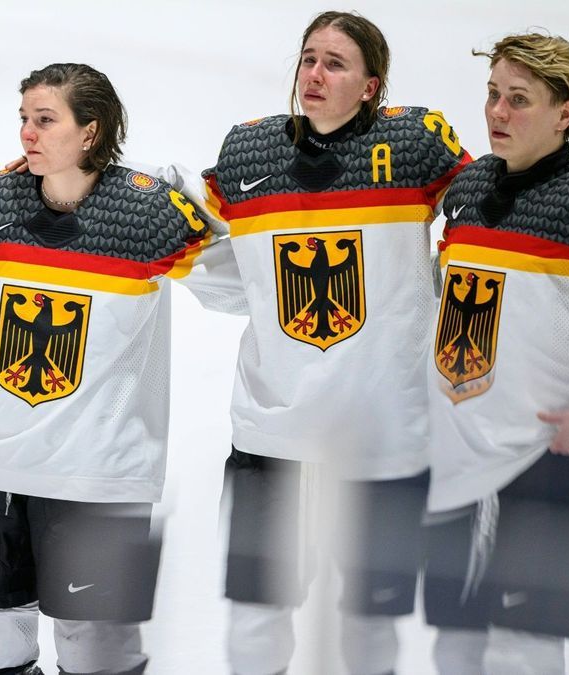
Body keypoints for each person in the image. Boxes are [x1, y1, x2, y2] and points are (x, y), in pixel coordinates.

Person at [0, 62, 241, 675]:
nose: (27, 132)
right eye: (23, 118)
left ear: (90, 131)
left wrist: (197, 194)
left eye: (45, 119)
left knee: (93, 648)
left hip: (98, 473)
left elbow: (243, 288)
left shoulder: (146, 219)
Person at [199, 11, 472, 675]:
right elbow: (188, 240)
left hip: (385, 437)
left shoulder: (412, 145)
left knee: (368, 623)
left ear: (371, 85)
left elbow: (496, 203)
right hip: (272, 435)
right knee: (255, 623)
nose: (314, 73)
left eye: (336, 63)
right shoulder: (249, 154)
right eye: (309, 57)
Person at [422, 32, 569, 675]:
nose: (497, 112)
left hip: (552, 467)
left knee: (520, 654)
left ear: (567, 112)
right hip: (463, 458)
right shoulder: (469, 190)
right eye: (494, 95)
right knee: (456, 648)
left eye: (519, 99)